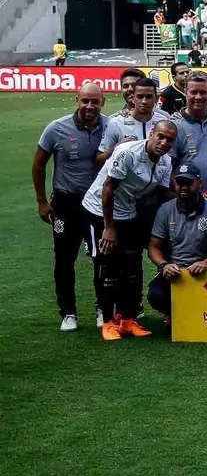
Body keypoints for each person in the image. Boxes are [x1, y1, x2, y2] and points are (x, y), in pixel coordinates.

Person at [81, 121, 176, 340]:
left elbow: (161, 193)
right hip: (99, 212)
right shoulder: (128, 152)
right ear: (151, 134)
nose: (164, 143)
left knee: (132, 267)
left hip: (128, 212)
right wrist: (109, 227)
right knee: (107, 265)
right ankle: (107, 321)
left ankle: (128, 320)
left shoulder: (165, 162)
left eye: (169, 140)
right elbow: (108, 188)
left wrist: (187, 197)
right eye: (160, 136)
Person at [33, 84, 108, 331]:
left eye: (94, 101)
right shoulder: (56, 128)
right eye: (85, 101)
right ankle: (68, 313)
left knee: (101, 257)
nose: (89, 106)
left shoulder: (111, 126)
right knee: (65, 258)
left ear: (103, 102)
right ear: (77, 100)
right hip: (65, 203)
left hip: (97, 203)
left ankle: (103, 309)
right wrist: (42, 201)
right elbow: (39, 164)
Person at [146, 164, 207, 321]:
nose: (183, 187)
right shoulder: (165, 210)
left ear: (199, 183)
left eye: (188, 182)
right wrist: (164, 265)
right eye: (179, 182)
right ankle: (172, 314)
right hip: (175, 273)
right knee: (155, 295)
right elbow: (153, 246)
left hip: (205, 273)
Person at [169, 71, 207, 195]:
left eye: (203, 92)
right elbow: (167, 168)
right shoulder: (174, 126)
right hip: (187, 197)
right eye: (193, 92)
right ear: (186, 92)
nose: (198, 97)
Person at [97, 78, 171, 165]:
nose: (144, 101)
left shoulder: (164, 122)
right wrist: (116, 149)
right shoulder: (116, 123)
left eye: (148, 97)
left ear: (156, 98)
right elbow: (98, 161)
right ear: (133, 98)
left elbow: (171, 157)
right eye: (140, 96)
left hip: (156, 178)